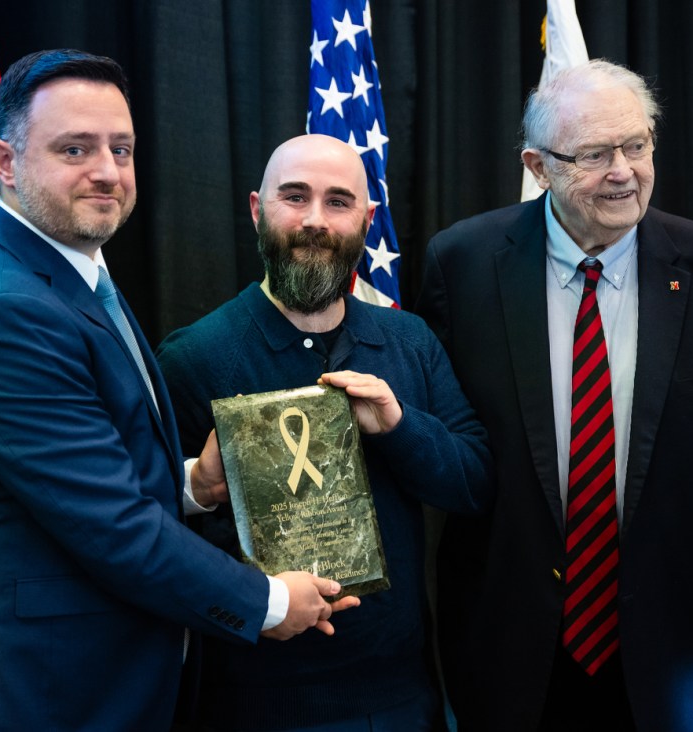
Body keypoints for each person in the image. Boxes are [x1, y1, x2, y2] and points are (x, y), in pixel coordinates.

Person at [0, 50, 359, 731]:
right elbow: (113, 527)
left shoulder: (70, 272)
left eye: (121, 148)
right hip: (31, 695)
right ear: (4, 161)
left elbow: (82, 476)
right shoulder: (10, 312)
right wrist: (267, 602)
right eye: (75, 148)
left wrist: (189, 486)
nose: (108, 171)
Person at [416, 59, 693, 732]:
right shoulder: (463, 265)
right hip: (506, 649)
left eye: (637, 145)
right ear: (538, 166)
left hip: (674, 653)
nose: (624, 170)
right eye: (594, 154)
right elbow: (445, 450)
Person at [155, 133, 493, 731]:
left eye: (338, 202)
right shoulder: (193, 358)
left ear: (367, 220)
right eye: (295, 196)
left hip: (401, 700)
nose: (315, 220)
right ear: (258, 210)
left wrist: (400, 426)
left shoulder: (410, 342)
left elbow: (474, 484)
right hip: (249, 703)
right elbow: (156, 538)